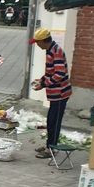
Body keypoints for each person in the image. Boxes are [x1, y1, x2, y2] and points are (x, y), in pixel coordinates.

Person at [30, 28, 72, 158]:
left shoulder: (56, 51)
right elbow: (50, 72)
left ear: (43, 41)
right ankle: (49, 144)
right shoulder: (50, 50)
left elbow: (60, 73)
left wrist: (43, 84)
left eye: (37, 42)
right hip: (55, 93)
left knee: (54, 121)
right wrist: (42, 80)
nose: (36, 44)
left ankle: (51, 149)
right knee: (50, 120)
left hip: (60, 93)